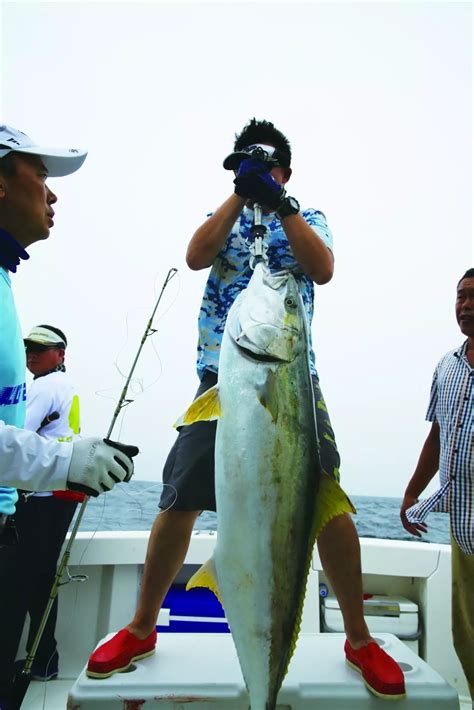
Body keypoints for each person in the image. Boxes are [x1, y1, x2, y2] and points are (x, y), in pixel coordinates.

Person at [87, 119, 405, 699]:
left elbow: (323, 269)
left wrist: (279, 201)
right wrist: (240, 192)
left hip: (291, 385)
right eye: (243, 164)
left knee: (327, 503)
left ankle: (358, 638)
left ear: (286, 169)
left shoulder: (307, 218)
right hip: (218, 382)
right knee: (178, 498)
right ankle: (141, 628)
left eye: (266, 165)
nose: (255, 173)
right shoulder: (226, 218)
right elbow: (194, 255)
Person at [0, 125, 138, 708]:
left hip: (26, 505)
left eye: (38, 349)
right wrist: (68, 460)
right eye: (42, 176)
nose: (53, 195)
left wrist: (68, 462)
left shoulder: (5, 281)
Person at [400, 268, 474, 703]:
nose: (464, 305)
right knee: (466, 635)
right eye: (460, 296)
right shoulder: (446, 365)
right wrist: (413, 492)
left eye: (473, 297)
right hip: (462, 531)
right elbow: (438, 435)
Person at [7, 324, 85, 684]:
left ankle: (15, 662)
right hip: (59, 497)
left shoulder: (41, 387)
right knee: (42, 578)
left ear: (60, 354)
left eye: (41, 348)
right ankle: (44, 658)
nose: (31, 354)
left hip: (37, 501)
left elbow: (17, 437)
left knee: (18, 581)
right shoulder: (66, 386)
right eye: (28, 348)